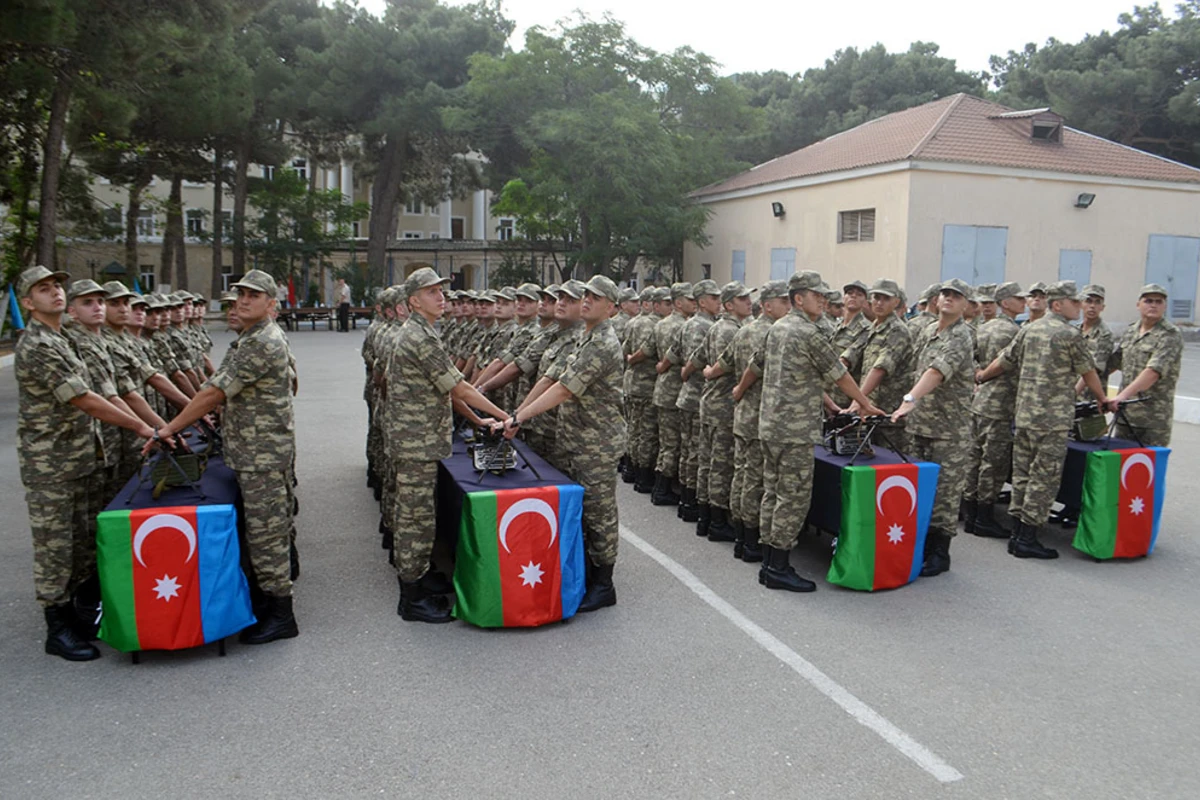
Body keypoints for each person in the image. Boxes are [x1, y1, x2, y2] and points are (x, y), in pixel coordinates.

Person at [15, 266, 162, 661]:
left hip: (79, 457)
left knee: (80, 542)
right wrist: (141, 427)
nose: (55, 294)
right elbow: (82, 398)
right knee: (55, 547)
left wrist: (148, 425)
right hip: (51, 464)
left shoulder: (64, 339)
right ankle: (56, 627)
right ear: (28, 303)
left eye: (57, 287)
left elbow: (108, 392)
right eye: (43, 290)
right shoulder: (39, 344)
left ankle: (78, 615)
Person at [149, 269, 299, 644]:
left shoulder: (260, 341)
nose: (243, 301)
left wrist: (169, 428)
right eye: (240, 295)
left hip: (261, 454)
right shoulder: (255, 337)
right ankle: (269, 602)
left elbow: (213, 393)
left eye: (253, 295)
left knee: (267, 534)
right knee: (267, 528)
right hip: (259, 449)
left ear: (270, 303)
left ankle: (281, 614)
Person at [384, 268, 510, 622]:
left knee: (420, 513)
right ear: (413, 301)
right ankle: (411, 596)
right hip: (415, 441)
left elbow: (445, 391)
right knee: (415, 517)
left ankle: (419, 579)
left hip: (419, 438)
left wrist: (476, 420)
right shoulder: (419, 337)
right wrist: (504, 416)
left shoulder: (424, 332)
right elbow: (458, 386)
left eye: (441, 290)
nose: (441, 297)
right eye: (431, 292)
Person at [498, 275, 626, 612]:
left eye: (595, 297)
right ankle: (584, 572)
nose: (586, 300)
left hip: (596, 442)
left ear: (611, 308)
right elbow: (550, 378)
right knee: (580, 509)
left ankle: (604, 584)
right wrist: (519, 413)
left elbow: (564, 389)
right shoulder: (585, 337)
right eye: (585, 294)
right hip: (576, 437)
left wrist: (519, 418)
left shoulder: (602, 343)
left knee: (599, 513)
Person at [756, 271, 883, 593]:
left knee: (773, 492)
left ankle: (769, 562)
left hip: (771, 425)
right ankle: (779, 567)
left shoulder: (778, 328)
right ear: (799, 298)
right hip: (794, 430)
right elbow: (838, 373)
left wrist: (827, 403)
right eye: (817, 295)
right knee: (792, 498)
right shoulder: (807, 332)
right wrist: (864, 404)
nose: (824, 301)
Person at [976, 281, 1110, 559]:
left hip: (1024, 415)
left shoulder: (1029, 329)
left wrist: (982, 377)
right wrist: (1102, 398)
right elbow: (1088, 371)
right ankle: (1027, 537)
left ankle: (1016, 533)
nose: (1080, 307)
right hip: (1052, 419)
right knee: (1043, 477)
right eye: (1075, 303)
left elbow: (1005, 361)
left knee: (1023, 473)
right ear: (1058, 305)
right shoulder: (1070, 335)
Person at [891, 278, 977, 577]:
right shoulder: (928, 331)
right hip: (920, 425)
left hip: (948, 430)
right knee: (920, 489)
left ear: (966, 304)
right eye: (945, 294)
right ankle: (919, 546)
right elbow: (916, 369)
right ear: (936, 300)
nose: (949, 299)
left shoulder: (961, 335)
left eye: (957, 296)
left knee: (945, 493)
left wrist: (909, 399)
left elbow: (936, 372)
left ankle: (940, 554)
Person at [719, 280, 788, 561]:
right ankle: (751, 540)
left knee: (743, 474)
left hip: (744, 413)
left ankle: (740, 537)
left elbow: (721, 365)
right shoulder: (774, 333)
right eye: (784, 302)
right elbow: (755, 370)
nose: (789, 306)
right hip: (762, 414)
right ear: (768, 306)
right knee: (756, 481)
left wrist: (737, 389)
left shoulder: (743, 331)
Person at [962, 281, 1025, 538]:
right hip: (1000, 403)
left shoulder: (985, 328)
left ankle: (970, 513)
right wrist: (984, 375)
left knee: (974, 458)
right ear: (1006, 303)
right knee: (993, 463)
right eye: (1018, 299)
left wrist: (978, 374)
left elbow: (971, 357)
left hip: (981, 402)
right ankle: (984, 518)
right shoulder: (1012, 332)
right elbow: (1007, 363)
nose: (1024, 303)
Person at [694, 281, 751, 542]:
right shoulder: (732, 331)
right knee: (721, 465)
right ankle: (717, 521)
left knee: (709, 462)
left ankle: (705, 516)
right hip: (724, 405)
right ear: (730, 305)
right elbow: (724, 365)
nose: (748, 302)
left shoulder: (717, 327)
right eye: (742, 299)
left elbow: (699, 359)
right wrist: (712, 371)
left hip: (711, 402)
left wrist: (707, 372)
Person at [840, 279, 913, 450]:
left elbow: (880, 369)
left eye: (885, 299)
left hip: (888, 415)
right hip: (869, 412)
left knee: (890, 468)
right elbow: (851, 354)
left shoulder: (897, 330)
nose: (879, 303)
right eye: (876, 297)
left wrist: (857, 401)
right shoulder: (873, 327)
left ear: (896, 302)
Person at [1109, 283, 1185, 446]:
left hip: (1153, 420)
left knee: (1150, 469)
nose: (1153, 305)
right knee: (1121, 467)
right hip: (1126, 417)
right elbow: (1113, 363)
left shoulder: (1170, 335)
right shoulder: (1131, 331)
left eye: (1159, 302)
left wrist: (1121, 396)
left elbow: (1153, 372)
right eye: (1148, 300)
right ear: (1138, 305)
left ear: (1164, 306)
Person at [640, 282, 692, 505]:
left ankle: (655, 484)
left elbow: (648, 352)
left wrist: (661, 367)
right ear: (679, 302)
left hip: (662, 388)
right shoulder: (682, 327)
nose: (694, 303)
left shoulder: (660, 325)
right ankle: (662, 489)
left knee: (664, 441)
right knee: (673, 443)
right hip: (674, 389)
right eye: (690, 300)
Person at [672, 280, 719, 523]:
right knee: (696, 453)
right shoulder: (704, 327)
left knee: (688, 451)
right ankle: (690, 503)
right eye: (714, 298)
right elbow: (697, 361)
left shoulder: (689, 324)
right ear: (702, 302)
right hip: (698, 393)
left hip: (688, 394)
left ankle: (686, 500)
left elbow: (675, 355)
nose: (718, 302)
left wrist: (684, 371)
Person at [622, 287, 664, 493]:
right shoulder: (655, 324)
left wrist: (630, 360)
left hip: (632, 382)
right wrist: (635, 358)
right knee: (647, 433)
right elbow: (646, 351)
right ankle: (643, 475)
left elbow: (624, 350)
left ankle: (631, 469)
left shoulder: (632, 323)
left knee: (634, 429)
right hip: (647, 383)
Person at [1079, 285, 1115, 389]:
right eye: (1088, 301)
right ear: (1081, 304)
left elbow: (1094, 369)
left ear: (1103, 307)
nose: (1092, 306)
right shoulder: (1075, 330)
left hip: (1090, 396)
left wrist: (1074, 392)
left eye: (1097, 302)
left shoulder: (1104, 334)